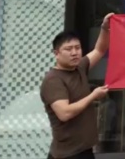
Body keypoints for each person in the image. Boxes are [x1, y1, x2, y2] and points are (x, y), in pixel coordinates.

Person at [40, 13, 114, 159]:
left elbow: (99, 50)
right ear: (56, 53)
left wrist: (105, 28)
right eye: (68, 49)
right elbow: (64, 113)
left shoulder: (79, 67)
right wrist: (93, 96)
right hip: (68, 154)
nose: (74, 53)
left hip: (84, 149)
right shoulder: (53, 80)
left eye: (77, 48)